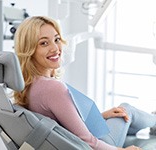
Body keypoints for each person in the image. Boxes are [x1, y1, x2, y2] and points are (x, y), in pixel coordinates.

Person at [13, 16, 156, 150]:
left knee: (120, 115)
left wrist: (101, 116)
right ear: (29, 50)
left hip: (72, 141)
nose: (55, 48)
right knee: (126, 109)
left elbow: (62, 125)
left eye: (56, 40)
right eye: (44, 43)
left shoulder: (28, 85)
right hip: (97, 144)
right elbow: (87, 141)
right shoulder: (52, 88)